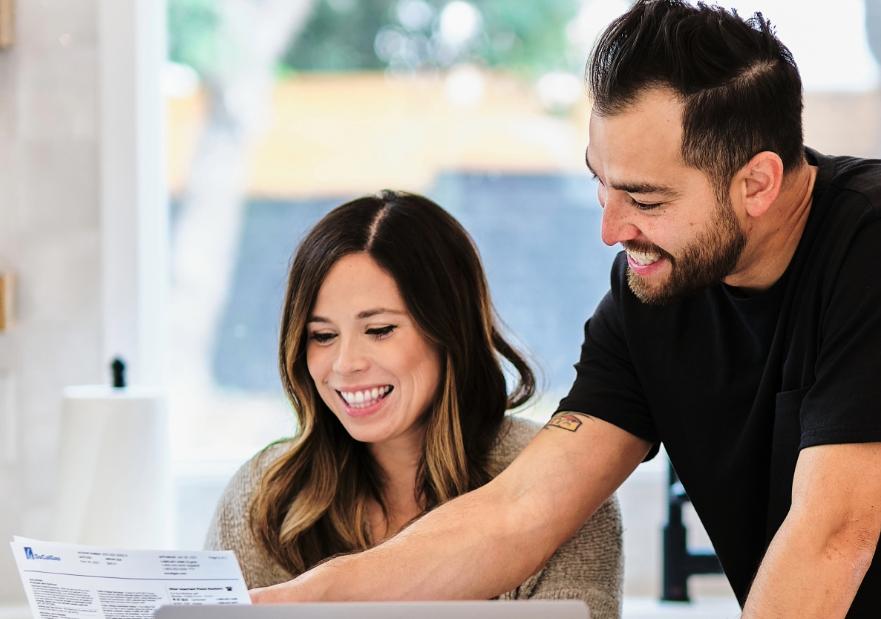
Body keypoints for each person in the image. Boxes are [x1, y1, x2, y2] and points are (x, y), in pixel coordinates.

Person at [250, 2, 881, 617]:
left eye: (646, 199)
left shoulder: (866, 248)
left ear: (758, 184)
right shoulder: (653, 291)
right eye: (600, 183)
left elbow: (837, 533)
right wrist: (279, 605)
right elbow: (517, 515)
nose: (610, 230)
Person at [205, 191, 625, 617]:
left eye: (381, 329)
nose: (346, 364)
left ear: (448, 331)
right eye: (323, 336)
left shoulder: (563, 488)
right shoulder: (265, 497)